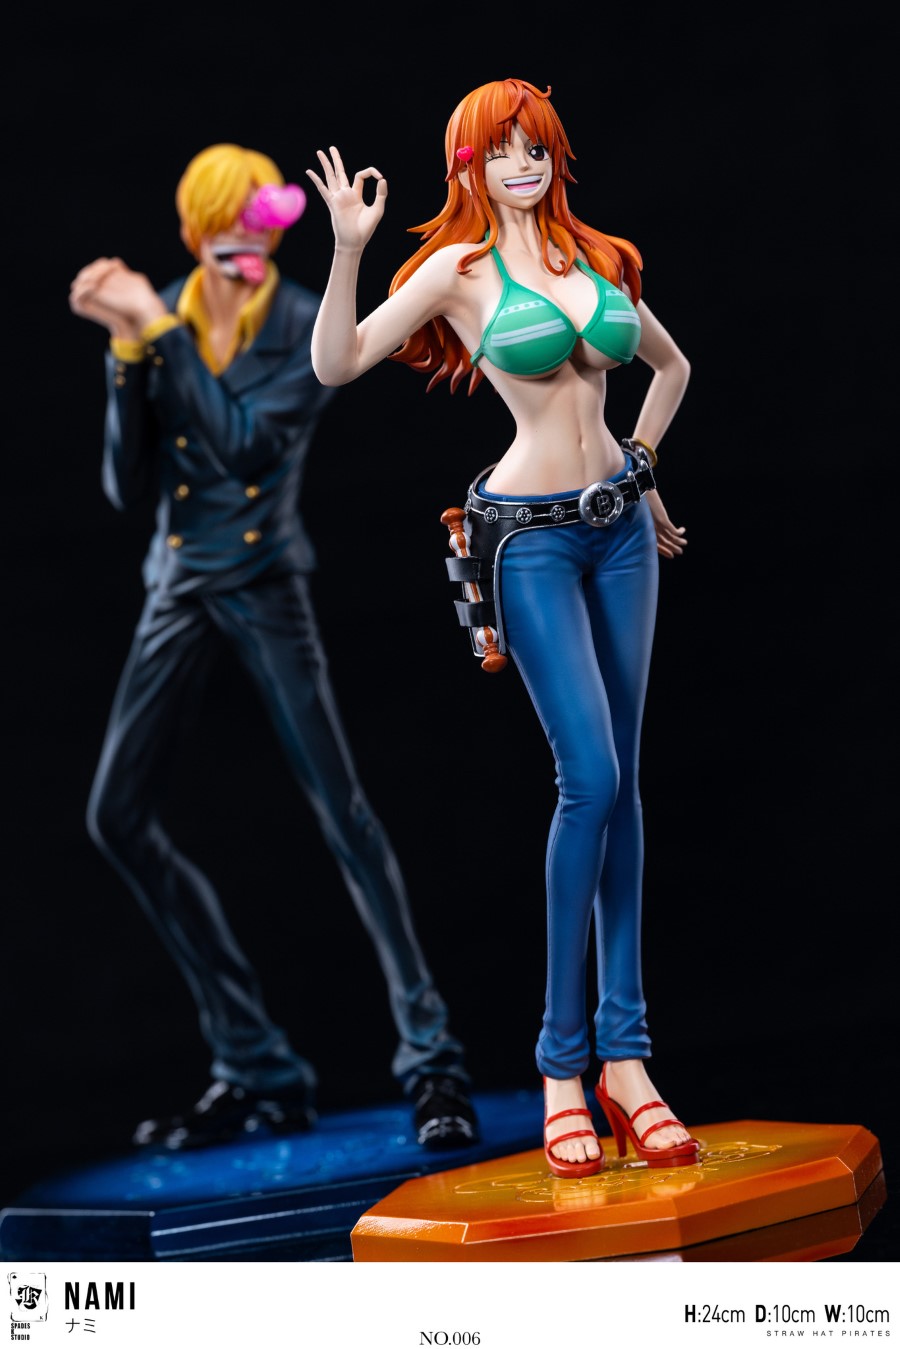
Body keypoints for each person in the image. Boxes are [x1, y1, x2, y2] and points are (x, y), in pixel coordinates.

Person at [306, 78, 700, 1177]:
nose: (521, 165)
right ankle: (563, 1065)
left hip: (620, 532)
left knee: (625, 784)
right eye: (500, 150)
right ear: (467, 166)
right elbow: (336, 363)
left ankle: (629, 1061)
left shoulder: (598, 258)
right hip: (527, 541)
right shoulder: (459, 271)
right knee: (589, 777)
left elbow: (670, 367)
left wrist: (646, 476)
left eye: (536, 147)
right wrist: (347, 250)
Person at [67, 142, 478, 1152]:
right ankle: (256, 1066)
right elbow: (126, 485)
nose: (247, 249)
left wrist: (155, 328)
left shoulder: (304, 323)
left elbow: (248, 442)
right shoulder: (162, 310)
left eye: (262, 229)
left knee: (344, 813)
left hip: (263, 581)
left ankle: (433, 1061)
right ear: (196, 232)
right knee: (115, 813)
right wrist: (127, 353)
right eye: (228, 232)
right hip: (178, 580)